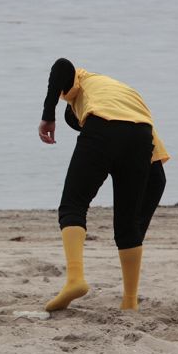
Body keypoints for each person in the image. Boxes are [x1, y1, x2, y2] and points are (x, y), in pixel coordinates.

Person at [38, 58, 169, 312]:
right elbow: (158, 179)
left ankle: (75, 279)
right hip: (140, 135)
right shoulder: (126, 100)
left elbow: (61, 66)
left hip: (103, 128)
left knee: (72, 206)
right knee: (126, 225)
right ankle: (129, 302)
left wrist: (48, 116)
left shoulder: (83, 83)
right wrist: (136, 232)